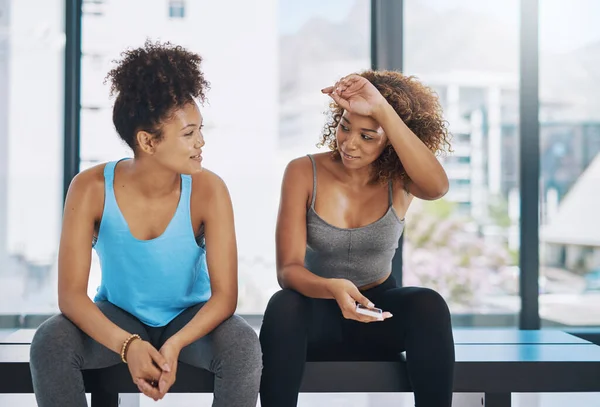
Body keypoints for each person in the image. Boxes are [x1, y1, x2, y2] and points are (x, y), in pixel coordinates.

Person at [30, 40, 262, 407]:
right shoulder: (90, 188)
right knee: (49, 342)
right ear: (147, 142)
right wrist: (128, 345)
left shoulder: (209, 189)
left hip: (191, 319)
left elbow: (225, 297)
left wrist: (175, 343)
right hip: (120, 315)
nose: (201, 142)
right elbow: (71, 296)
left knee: (243, 345)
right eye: (188, 134)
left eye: (200, 129)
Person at [259, 70, 455, 407]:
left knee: (429, 304)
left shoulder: (401, 179)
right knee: (282, 305)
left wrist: (383, 110)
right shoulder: (303, 171)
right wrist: (334, 288)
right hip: (317, 315)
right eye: (345, 126)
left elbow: (438, 187)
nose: (349, 143)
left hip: (379, 317)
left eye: (368, 136)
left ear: (390, 138)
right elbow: (288, 270)